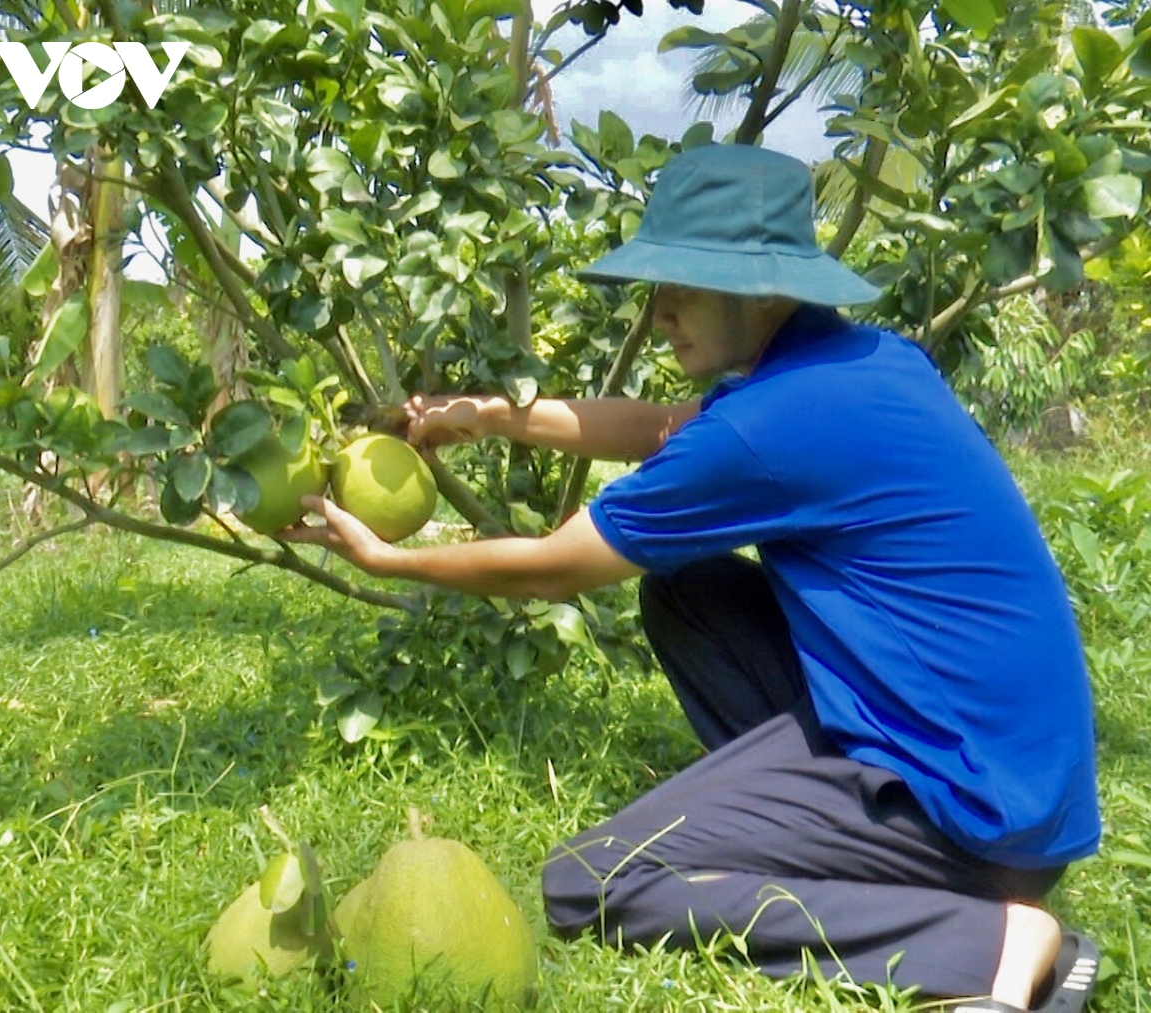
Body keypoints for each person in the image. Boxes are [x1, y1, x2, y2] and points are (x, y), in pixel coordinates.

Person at [282, 144, 1102, 1012]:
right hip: (1008, 768)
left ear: (757, 291)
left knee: (594, 883)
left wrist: (387, 557)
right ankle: (848, 849)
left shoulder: (773, 424)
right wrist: (490, 418)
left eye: (683, 286)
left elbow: (557, 567)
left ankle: (991, 940)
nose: (660, 311)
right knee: (687, 589)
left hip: (975, 807)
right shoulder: (859, 364)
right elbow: (659, 426)